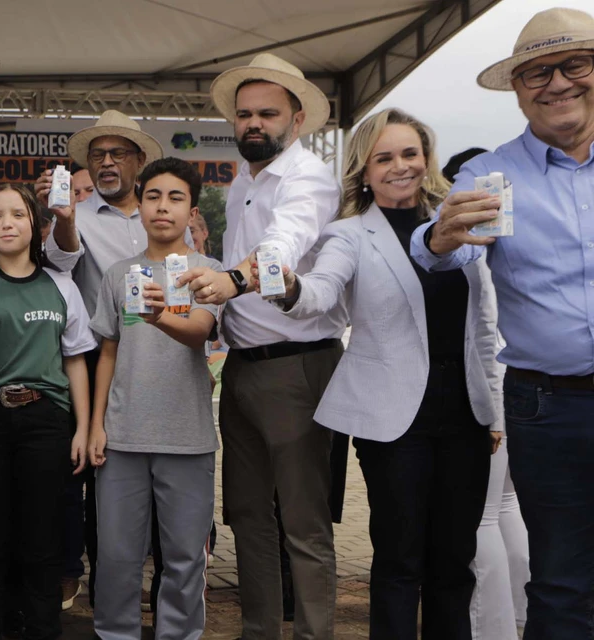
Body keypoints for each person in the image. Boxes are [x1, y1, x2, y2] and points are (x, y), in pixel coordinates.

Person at [260, 109, 502, 639]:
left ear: (427, 158)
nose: (400, 167)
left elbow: (483, 325)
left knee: (455, 563)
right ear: (364, 171)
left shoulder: (458, 220)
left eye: (410, 153)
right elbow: (321, 292)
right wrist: (290, 289)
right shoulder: (349, 233)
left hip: (465, 414)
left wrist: (495, 409)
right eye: (384, 157)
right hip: (392, 423)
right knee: (399, 561)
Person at [409, 8, 594, 637]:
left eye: (576, 64)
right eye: (537, 72)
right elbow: (447, 249)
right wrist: (437, 238)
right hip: (548, 405)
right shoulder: (493, 174)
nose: (558, 83)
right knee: (562, 579)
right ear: (517, 90)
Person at [175, 53, 345, 639]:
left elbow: (283, 247)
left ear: (297, 121)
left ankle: (316, 633)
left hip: (299, 366)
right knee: (246, 516)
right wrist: (213, 302)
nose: (253, 123)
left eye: (267, 114)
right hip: (244, 366)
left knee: (303, 521)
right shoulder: (244, 178)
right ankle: (258, 630)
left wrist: (230, 283)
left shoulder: (308, 178)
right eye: (243, 114)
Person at [0, 183, 95, 640]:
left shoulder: (61, 285)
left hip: (46, 420)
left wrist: (83, 427)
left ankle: (43, 627)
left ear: (36, 225)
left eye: (18, 215)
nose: (8, 223)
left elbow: (75, 361)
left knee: (42, 536)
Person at [34, 109, 165, 611]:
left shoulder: (162, 214)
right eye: (97, 155)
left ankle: (162, 575)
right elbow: (61, 259)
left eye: (117, 154)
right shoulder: (77, 218)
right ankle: (76, 573)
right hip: (91, 364)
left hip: (159, 363)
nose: (107, 163)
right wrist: (63, 220)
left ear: (139, 161)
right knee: (83, 469)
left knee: (151, 476)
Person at [88, 158, 221, 640]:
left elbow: (199, 332)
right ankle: (114, 632)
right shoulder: (118, 273)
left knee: (185, 557)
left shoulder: (207, 272)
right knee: (117, 554)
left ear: (192, 211)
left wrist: (157, 315)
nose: (163, 207)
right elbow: (107, 351)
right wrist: (98, 425)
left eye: (176, 198)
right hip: (123, 437)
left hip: (187, 436)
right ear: (139, 203)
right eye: (153, 197)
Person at [441, 146, 532, 640]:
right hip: (519, 387)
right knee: (506, 509)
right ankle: (520, 615)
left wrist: (493, 416)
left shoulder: (477, 247)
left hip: (497, 394)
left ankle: (492, 628)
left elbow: (484, 331)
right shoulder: (510, 241)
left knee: (482, 517)